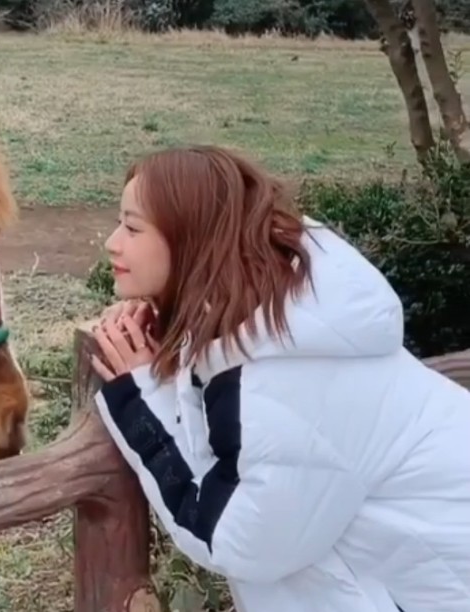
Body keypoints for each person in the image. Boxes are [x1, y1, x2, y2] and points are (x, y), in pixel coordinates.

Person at [89, 144, 470, 612]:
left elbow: (236, 540)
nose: (113, 241)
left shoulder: (283, 382)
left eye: (132, 226)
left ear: (192, 238)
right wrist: (167, 342)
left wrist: (140, 398)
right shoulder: (283, 317)